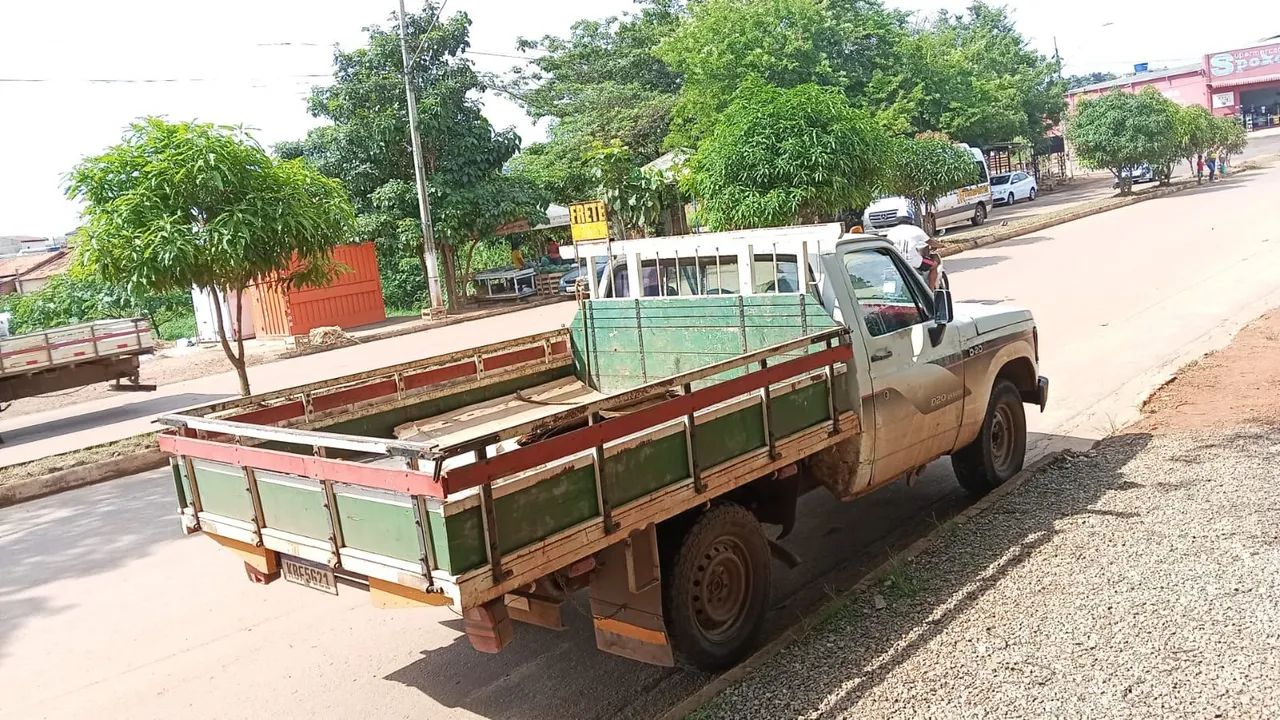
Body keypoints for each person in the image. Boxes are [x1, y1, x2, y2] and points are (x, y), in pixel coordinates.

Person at [885, 216, 941, 291]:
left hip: (896, 260)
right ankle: (931, 292)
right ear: (911, 223)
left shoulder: (891, 231)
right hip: (911, 261)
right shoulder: (915, 229)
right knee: (934, 265)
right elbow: (930, 242)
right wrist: (940, 245)